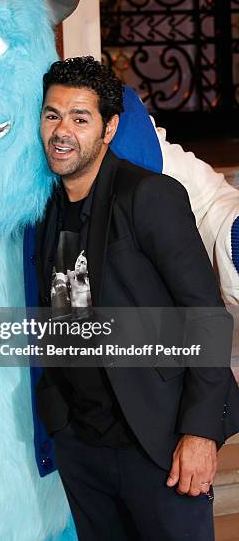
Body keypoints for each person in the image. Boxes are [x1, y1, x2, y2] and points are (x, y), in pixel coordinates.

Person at [34, 56, 239, 541]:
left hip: (159, 443)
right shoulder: (45, 209)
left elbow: (205, 316)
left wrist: (200, 434)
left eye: (80, 118)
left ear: (109, 129)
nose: (63, 131)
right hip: (81, 445)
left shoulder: (150, 196)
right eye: (52, 115)